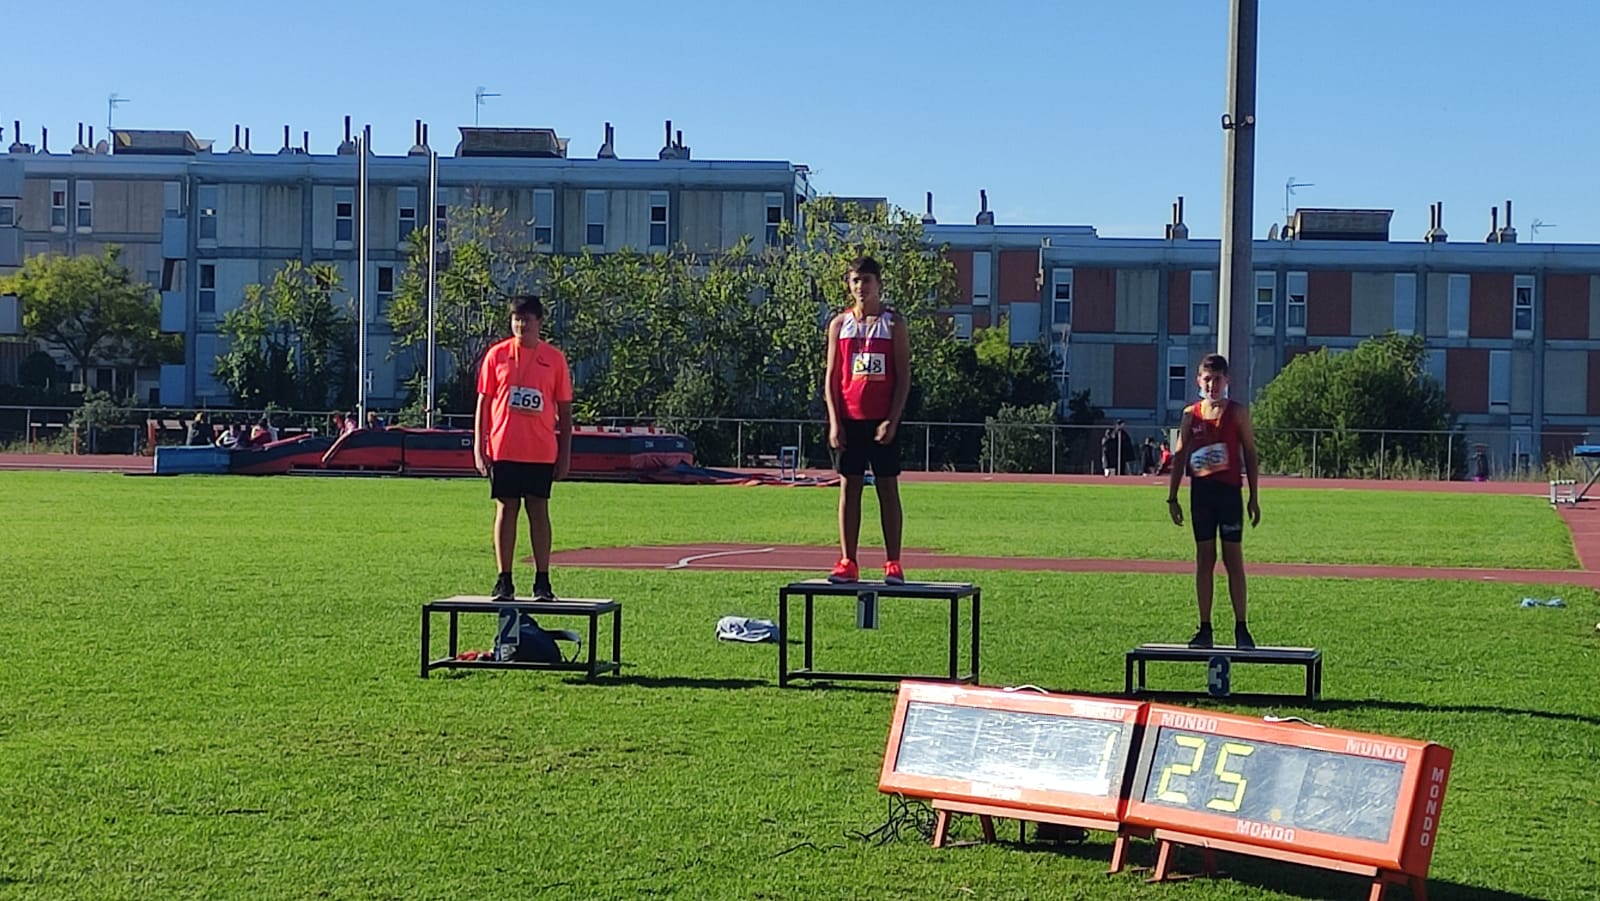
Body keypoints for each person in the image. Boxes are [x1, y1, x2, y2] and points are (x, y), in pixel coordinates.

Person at [475, 294, 573, 602]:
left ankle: (542, 581)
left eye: (527, 320)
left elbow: (565, 410)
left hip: (540, 450)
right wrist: (479, 447)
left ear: (539, 323)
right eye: (516, 320)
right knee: (506, 508)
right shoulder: (497, 355)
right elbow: (483, 403)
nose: (521, 326)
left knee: (538, 510)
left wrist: (565, 455)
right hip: (504, 447)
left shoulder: (554, 359)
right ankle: (504, 579)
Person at [823, 255, 911, 585]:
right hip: (849, 419)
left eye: (867, 280)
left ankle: (893, 563)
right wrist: (835, 422)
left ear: (879, 284)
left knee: (888, 488)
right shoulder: (839, 324)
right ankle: (848, 561)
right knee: (850, 488)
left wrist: (892, 420)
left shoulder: (894, 324)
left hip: (882, 421)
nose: (861, 287)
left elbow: (903, 376)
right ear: (849, 285)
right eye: (855, 281)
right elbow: (832, 377)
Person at [1166, 353, 1261, 650]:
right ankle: (1205, 627)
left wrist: (1254, 497)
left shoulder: (1237, 413)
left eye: (1217, 380)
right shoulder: (1190, 415)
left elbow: (1250, 453)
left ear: (1226, 380)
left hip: (1229, 495)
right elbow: (1180, 455)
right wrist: (1172, 497)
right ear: (1198, 381)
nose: (1212, 386)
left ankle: (1242, 628)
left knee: (1233, 560)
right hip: (1202, 496)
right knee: (1204, 560)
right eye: (1207, 380)